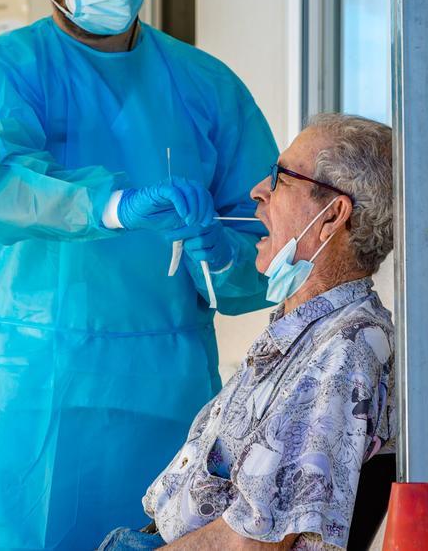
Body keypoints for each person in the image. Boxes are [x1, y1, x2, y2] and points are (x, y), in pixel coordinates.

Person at [0, 0, 279, 549]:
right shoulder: (5, 73)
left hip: (167, 390)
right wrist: (113, 206)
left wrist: (221, 250)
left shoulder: (205, 86)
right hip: (33, 396)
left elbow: (271, 243)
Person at [99, 114, 397, 551]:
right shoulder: (303, 332)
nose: (258, 191)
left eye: (281, 178)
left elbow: (252, 543)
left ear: (332, 215)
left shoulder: (347, 348)